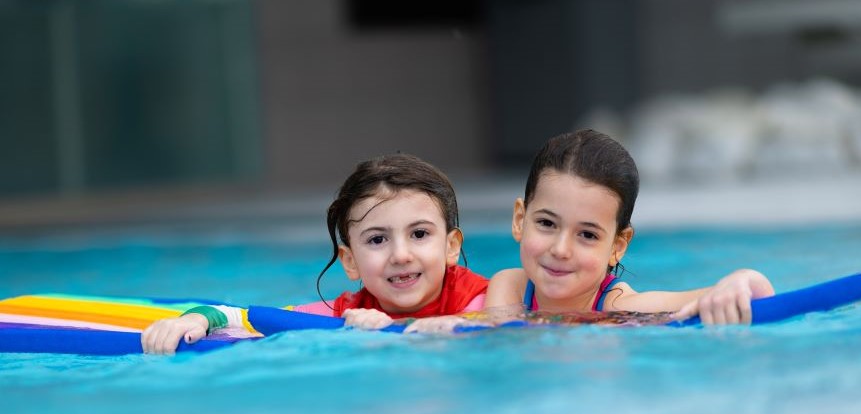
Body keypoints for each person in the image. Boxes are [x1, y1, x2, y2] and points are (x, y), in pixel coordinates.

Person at [141, 154, 488, 353]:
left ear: (451, 246)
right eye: (377, 240)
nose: (401, 254)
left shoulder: (482, 300)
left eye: (419, 234)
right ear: (350, 261)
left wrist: (401, 326)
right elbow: (243, 317)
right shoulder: (344, 313)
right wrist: (194, 320)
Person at [481, 128, 774, 324]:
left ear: (617, 246)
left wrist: (744, 279)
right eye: (546, 223)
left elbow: (743, 295)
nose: (560, 249)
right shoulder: (511, 286)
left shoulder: (621, 307)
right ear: (520, 220)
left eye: (587, 234)